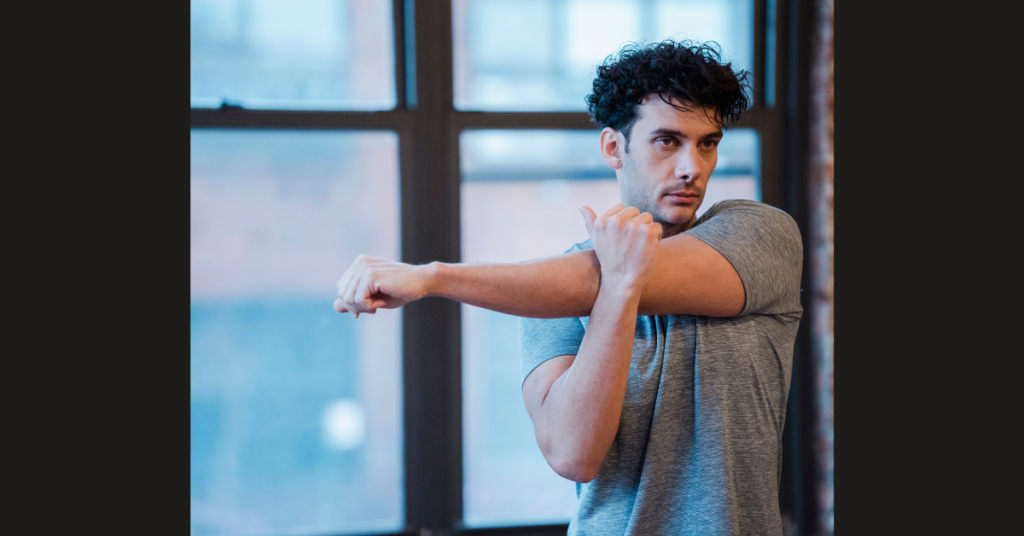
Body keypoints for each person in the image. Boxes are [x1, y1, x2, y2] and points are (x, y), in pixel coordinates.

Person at [334, 40, 802, 536]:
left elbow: (606, 277)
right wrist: (618, 292)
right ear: (613, 148)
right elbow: (574, 455)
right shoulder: (547, 291)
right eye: (667, 141)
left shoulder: (760, 235)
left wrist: (433, 277)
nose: (693, 167)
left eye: (707, 143)